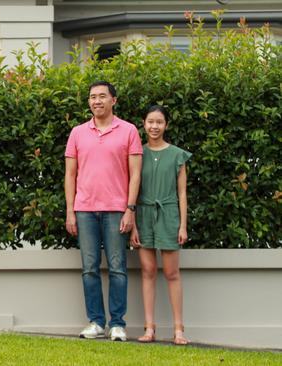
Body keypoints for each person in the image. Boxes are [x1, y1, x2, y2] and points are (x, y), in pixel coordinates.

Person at [64, 81, 142, 341]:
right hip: (84, 210)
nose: (96, 101)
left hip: (116, 210)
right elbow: (70, 175)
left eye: (102, 96)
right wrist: (70, 211)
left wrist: (130, 209)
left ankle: (117, 324)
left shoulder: (129, 131)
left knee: (118, 269)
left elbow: (135, 175)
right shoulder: (77, 133)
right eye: (92, 97)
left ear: (113, 101)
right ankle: (96, 322)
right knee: (89, 268)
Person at [130, 105, 191, 345]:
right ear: (143, 124)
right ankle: (149, 328)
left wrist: (182, 225)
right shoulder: (136, 153)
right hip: (143, 215)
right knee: (147, 271)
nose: (154, 126)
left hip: (169, 216)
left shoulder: (177, 155)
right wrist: (133, 224)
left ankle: (178, 329)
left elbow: (182, 193)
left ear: (166, 125)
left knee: (172, 273)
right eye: (150, 122)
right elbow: (131, 191)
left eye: (159, 122)